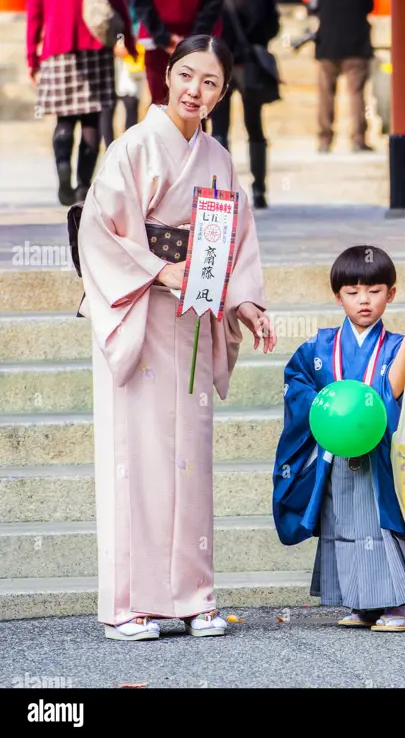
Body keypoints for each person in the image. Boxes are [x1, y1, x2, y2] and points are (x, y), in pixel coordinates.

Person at [77, 35, 277, 640]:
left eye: (210, 82)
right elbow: (99, 229)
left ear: (222, 91)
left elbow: (233, 238)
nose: (195, 90)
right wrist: (157, 269)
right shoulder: (132, 147)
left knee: (191, 461)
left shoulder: (217, 157)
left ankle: (194, 596)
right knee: (135, 458)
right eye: (187, 76)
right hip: (137, 312)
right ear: (167, 76)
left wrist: (244, 301)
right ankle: (128, 603)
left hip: (193, 316)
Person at [272, 245, 405, 633]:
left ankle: (395, 604)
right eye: (352, 291)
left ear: (391, 294)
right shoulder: (318, 348)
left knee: (382, 525)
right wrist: (324, 407)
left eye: (375, 290)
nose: (364, 300)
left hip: (381, 456)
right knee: (346, 525)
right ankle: (362, 603)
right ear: (337, 296)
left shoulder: (397, 345)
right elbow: (296, 385)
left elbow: (392, 391)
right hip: (337, 455)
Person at [26, 0, 137, 205]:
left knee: (64, 119)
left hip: (58, 47)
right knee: (91, 119)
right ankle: (83, 187)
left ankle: (63, 170)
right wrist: (127, 36)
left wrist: (31, 57)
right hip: (95, 46)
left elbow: (34, 12)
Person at [209, 0, 280, 209]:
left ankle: (221, 188)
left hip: (220, 62)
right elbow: (273, 25)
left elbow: (208, 19)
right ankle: (260, 190)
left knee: (219, 128)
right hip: (250, 63)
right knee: (255, 125)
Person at [127, 0, 229, 105]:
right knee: (183, 106)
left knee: (185, 107)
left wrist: (164, 36)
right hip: (167, 39)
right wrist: (164, 36)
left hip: (183, 38)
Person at [312, 0, 375, 153]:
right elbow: (369, 5)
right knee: (356, 93)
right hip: (356, 43)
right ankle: (358, 138)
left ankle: (325, 139)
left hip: (328, 43)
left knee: (326, 94)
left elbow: (314, 5)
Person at [100, 0, 146, 146]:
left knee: (131, 101)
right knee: (107, 104)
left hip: (132, 45)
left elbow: (140, 12)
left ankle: (129, 150)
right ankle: (110, 152)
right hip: (107, 46)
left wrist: (130, 42)